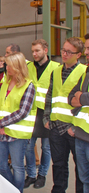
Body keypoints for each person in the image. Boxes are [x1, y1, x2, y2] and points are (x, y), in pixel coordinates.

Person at [43, 37, 86, 193]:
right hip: (55, 126)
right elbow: (49, 96)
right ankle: (59, 190)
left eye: (69, 52)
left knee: (80, 166)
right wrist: (46, 118)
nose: (64, 54)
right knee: (59, 164)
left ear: (78, 54)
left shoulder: (84, 71)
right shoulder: (56, 71)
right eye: (63, 50)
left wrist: (75, 127)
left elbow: (84, 102)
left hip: (74, 129)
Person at [0, 52, 36, 193]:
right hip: (1, 132)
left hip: (17, 134)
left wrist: (1, 123)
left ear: (18, 67)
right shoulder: (6, 82)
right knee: (0, 164)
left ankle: (17, 190)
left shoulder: (28, 86)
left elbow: (23, 111)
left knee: (18, 167)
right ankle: (12, 189)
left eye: (9, 66)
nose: (7, 68)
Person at [24, 39, 59, 189]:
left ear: (46, 50)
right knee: (28, 146)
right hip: (31, 113)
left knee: (46, 147)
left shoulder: (56, 67)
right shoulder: (28, 67)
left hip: (47, 113)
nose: (34, 54)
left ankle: (42, 175)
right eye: (32, 51)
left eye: (37, 51)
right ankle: (31, 175)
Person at [68, 33, 89, 193]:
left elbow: (80, 97)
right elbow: (72, 97)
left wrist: (81, 97)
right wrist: (81, 98)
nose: (87, 52)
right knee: (84, 179)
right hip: (81, 135)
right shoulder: (86, 73)